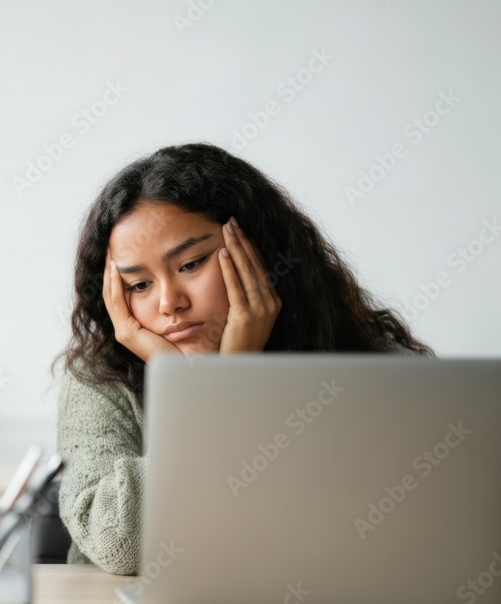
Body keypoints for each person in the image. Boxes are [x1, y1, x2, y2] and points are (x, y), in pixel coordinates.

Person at [55, 143, 432, 575]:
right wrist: (217, 386)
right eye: (139, 285)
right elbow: (120, 543)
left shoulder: (372, 364)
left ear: (261, 252)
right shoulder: (99, 379)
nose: (169, 303)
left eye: (191, 263)